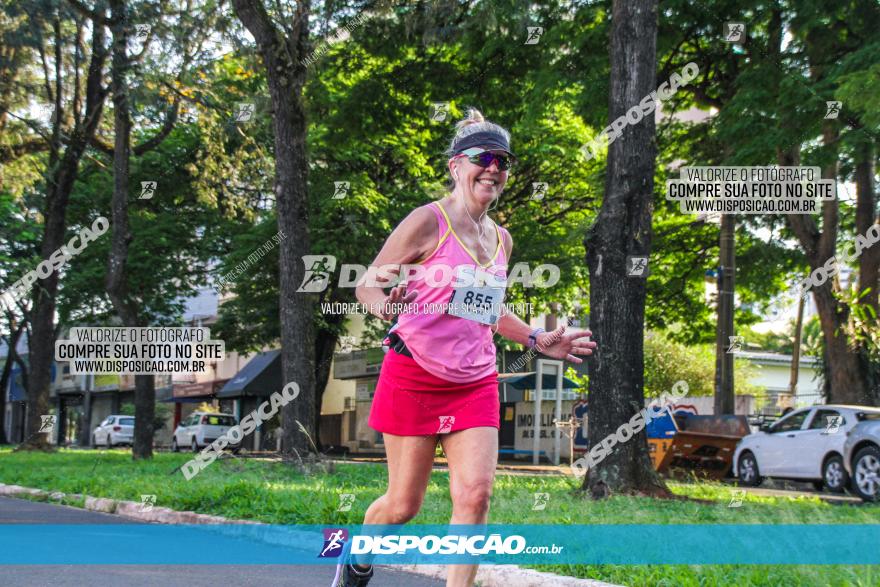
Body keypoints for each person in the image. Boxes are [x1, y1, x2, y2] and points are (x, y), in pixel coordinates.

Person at [337, 108, 597, 587]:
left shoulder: (502, 239)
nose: (495, 168)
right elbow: (366, 287)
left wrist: (538, 340)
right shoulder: (426, 222)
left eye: (503, 160)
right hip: (414, 375)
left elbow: (488, 310)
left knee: (475, 495)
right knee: (401, 507)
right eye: (483, 157)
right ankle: (356, 558)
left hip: (474, 379)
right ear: (456, 165)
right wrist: (387, 309)